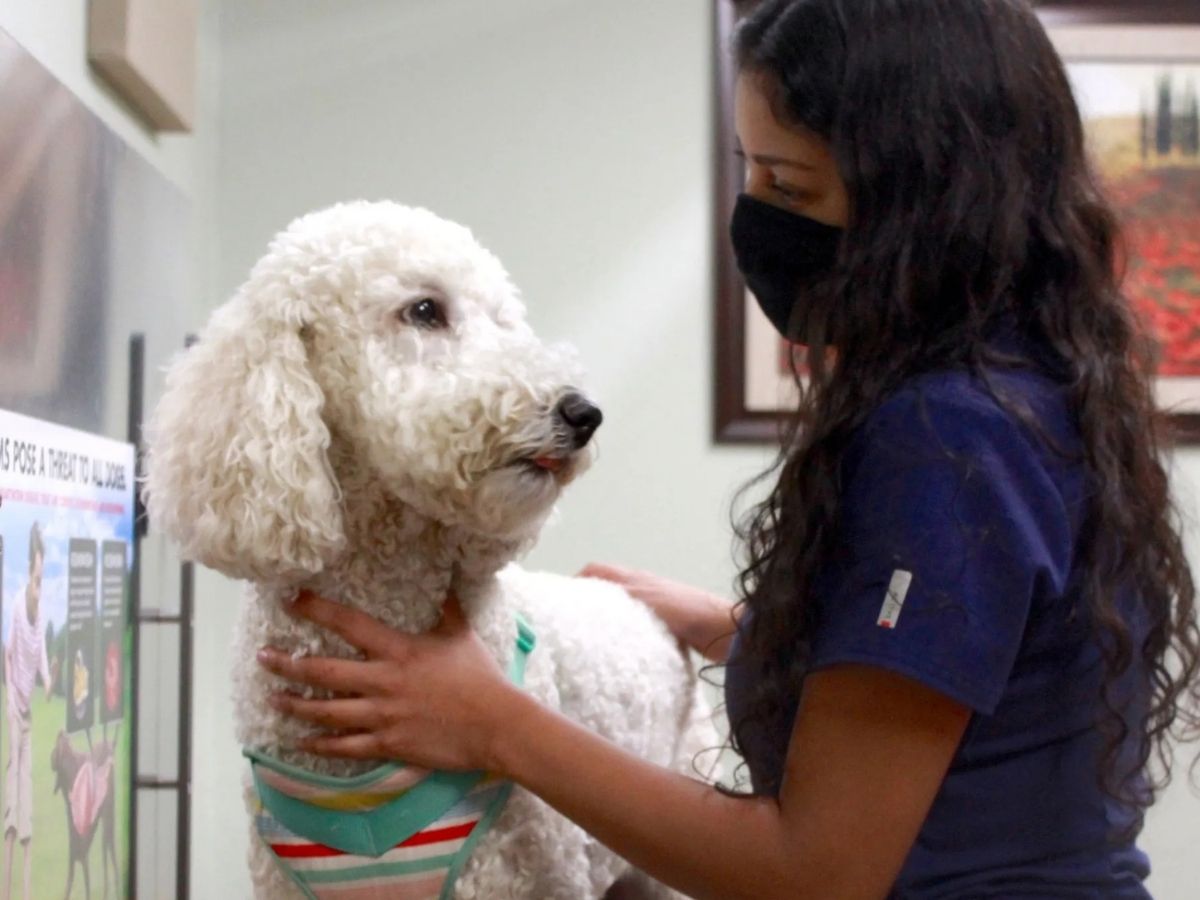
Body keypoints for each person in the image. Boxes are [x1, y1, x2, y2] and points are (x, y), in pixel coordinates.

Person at [256, 1, 1200, 896]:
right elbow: (973, 679)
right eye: (747, 169)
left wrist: (496, 725)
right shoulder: (1028, 388)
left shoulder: (949, 437)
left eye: (788, 186)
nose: (756, 215)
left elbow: (815, 874)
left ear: (923, 200)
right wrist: (744, 630)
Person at [4, 522, 52, 900]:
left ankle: (23, 889)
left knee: (28, 802)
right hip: (14, 710)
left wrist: (48, 679)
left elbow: (41, 654)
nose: (40, 585)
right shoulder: (18, 607)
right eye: (37, 577)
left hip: (29, 711)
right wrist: (12, 709)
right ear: (28, 574)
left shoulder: (41, 605)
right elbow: (10, 655)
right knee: (12, 798)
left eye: (43, 577)